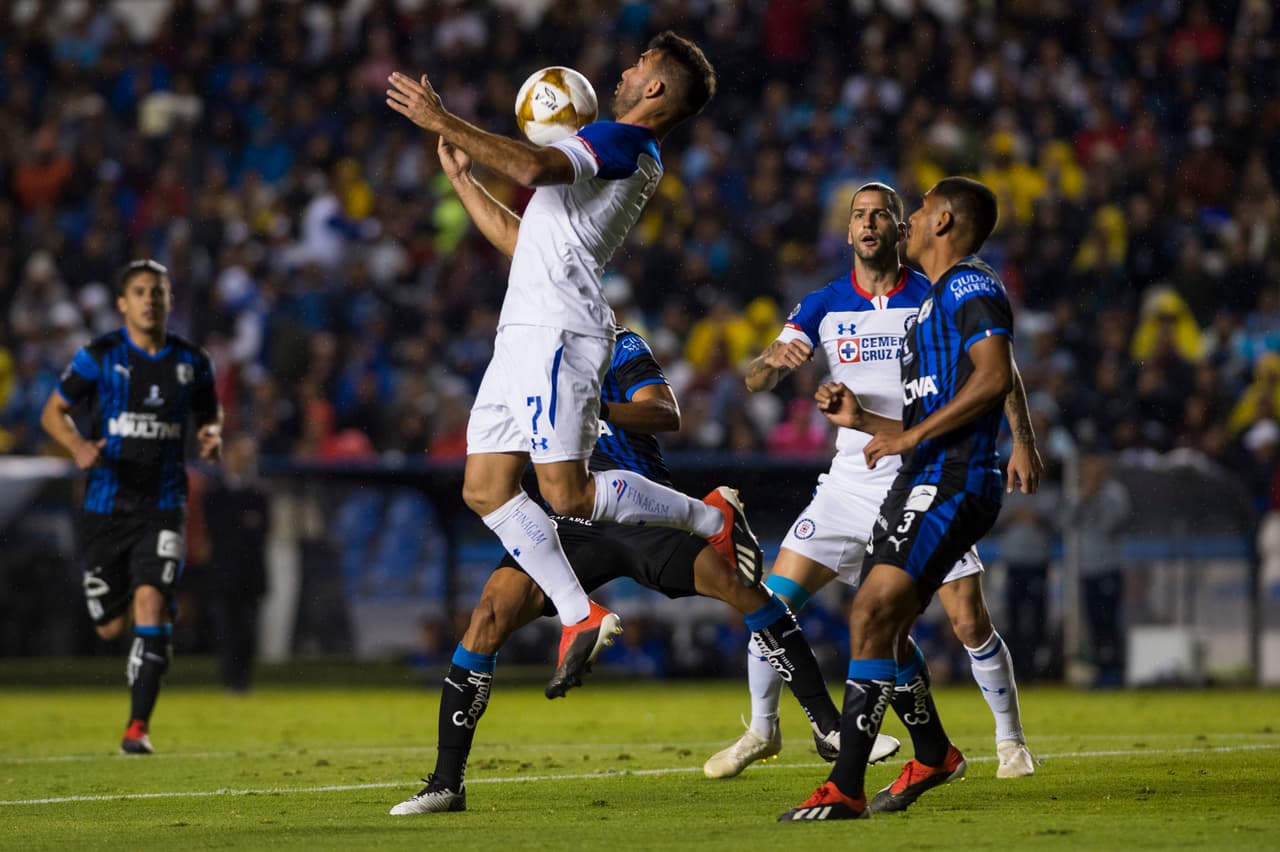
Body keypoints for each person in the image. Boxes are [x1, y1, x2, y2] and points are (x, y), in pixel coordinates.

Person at [386, 32, 764, 699]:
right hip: (523, 332)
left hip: (560, 331)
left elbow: (531, 169)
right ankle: (580, 612)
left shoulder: (624, 141)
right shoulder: (608, 154)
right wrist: (463, 180)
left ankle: (710, 520)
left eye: (638, 66)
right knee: (485, 488)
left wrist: (441, 119)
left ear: (654, 90)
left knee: (569, 496)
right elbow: (519, 237)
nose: (623, 70)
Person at [389, 325, 900, 816]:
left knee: (741, 589)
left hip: (638, 504)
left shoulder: (620, 342)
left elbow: (664, 411)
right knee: (488, 616)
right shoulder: (524, 358)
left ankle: (828, 727)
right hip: (566, 520)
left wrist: (594, 409)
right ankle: (446, 783)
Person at [706, 183, 1039, 782]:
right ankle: (763, 728)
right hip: (848, 479)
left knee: (966, 620)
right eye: (858, 215)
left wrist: (1022, 438)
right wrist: (771, 367)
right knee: (772, 602)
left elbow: (999, 368)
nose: (869, 223)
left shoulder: (938, 292)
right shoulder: (823, 303)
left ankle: (1010, 741)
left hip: (925, 474)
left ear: (899, 227)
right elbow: (756, 375)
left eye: (882, 213)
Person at [780, 177, 1026, 821]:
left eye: (916, 210)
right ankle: (932, 753)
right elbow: (924, 419)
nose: (908, 219)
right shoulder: (929, 311)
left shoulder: (969, 285)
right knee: (879, 620)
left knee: (887, 614)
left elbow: (998, 375)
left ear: (943, 221)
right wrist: (864, 421)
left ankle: (846, 787)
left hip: (954, 480)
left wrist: (1004, 438)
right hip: (919, 473)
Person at [40, 259, 222, 754]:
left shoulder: (191, 361)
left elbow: (209, 413)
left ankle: (136, 728)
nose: (150, 299)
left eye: (158, 292)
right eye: (140, 291)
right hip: (105, 507)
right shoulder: (98, 357)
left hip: (163, 505)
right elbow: (52, 412)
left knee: (150, 601)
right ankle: (152, 608)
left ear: (168, 300)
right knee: (108, 625)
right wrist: (77, 446)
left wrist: (211, 436)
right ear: (122, 302)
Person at [202, 433, 270, 692]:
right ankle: (229, 680)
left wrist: (238, 524)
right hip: (223, 573)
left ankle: (243, 680)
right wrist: (243, 522)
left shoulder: (258, 491)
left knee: (248, 630)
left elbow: (263, 526)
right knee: (225, 630)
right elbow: (219, 526)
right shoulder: (215, 491)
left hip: (250, 573)